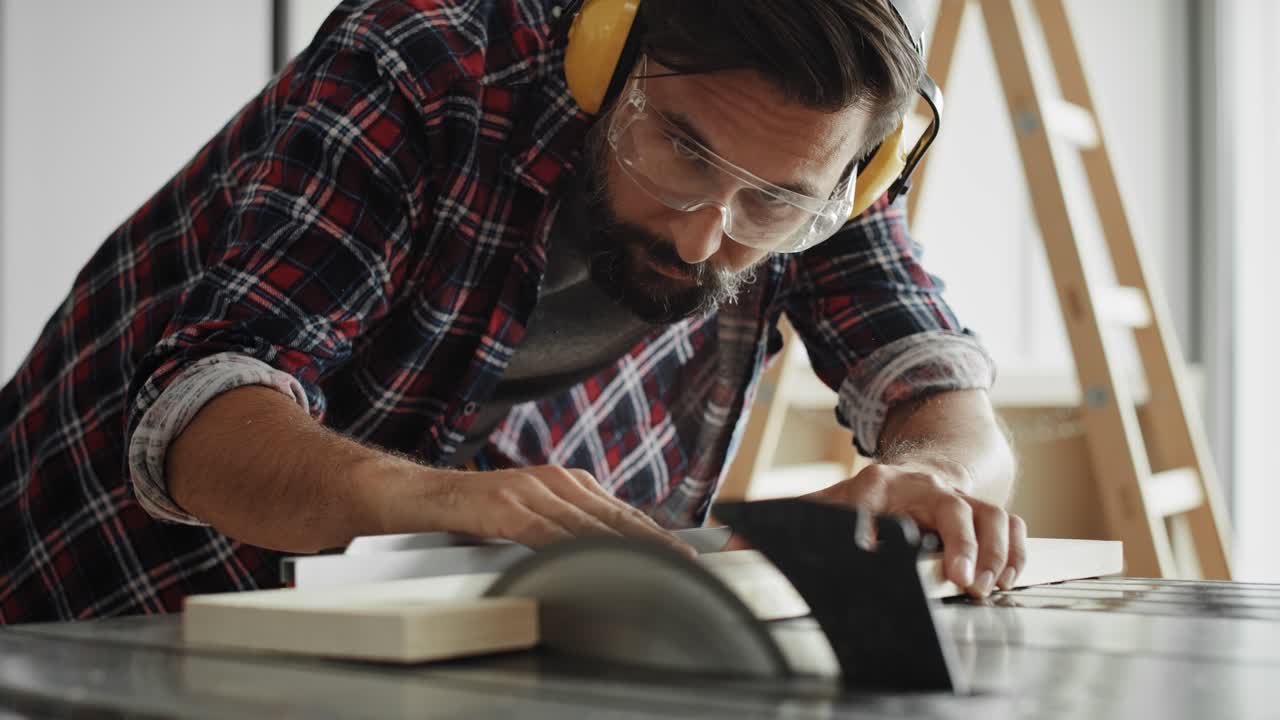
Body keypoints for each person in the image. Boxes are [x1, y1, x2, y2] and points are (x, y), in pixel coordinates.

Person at [0, 0, 1023, 625]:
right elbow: (199, 426)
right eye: (680, 152)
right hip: (89, 596)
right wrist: (431, 498)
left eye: (776, 203)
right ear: (604, 53)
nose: (707, 239)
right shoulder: (420, 62)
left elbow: (937, 390)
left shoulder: (807, 159)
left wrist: (923, 480)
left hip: (388, 648)